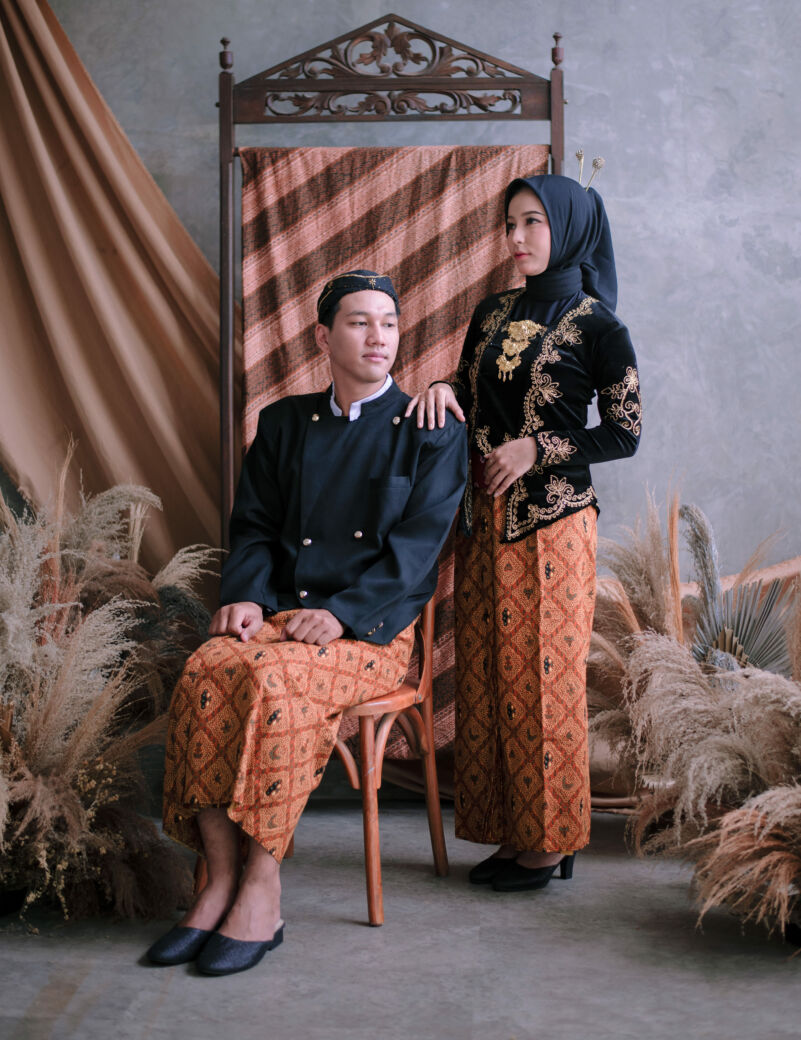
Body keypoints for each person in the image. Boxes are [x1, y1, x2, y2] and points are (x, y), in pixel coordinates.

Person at [147, 271, 467, 974]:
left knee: (276, 682)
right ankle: (218, 881)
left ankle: (262, 891)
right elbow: (256, 526)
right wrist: (245, 595)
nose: (378, 337)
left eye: (388, 323)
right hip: (282, 614)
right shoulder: (284, 423)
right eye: (359, 322)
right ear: (323, 337)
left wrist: (342, 613)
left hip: (373, 631)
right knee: (206, 667)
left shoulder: (430, 430)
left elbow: (415, 556)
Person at [408, 175, 641, 891]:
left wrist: (536, 449)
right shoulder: (492, 312)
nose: (515, 237)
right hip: (483, 523)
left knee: (543, 683)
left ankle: (550, 840)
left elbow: (624, 433)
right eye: (510, 223)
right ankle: (513, 833)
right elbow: (469, 388)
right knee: (486, 679)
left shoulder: (600, 327)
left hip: (553, 527)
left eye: (532, 222)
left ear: (566, 228)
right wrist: (442, 387)